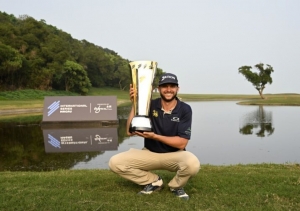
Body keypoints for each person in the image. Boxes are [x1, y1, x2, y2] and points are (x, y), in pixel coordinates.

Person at [109, 73, 200, 200]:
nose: (168, 89)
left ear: (177, 89)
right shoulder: (149, 105)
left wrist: (155, 136)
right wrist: (134, 104)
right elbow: (130, 131)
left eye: (172, 86)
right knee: (115, 162)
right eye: (165, 86)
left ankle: (176, 186)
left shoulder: (185, 109)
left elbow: (182, 143)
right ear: (159, 88)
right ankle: (154, 182)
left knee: (192, 164)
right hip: (150, 153)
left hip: (175, 154)